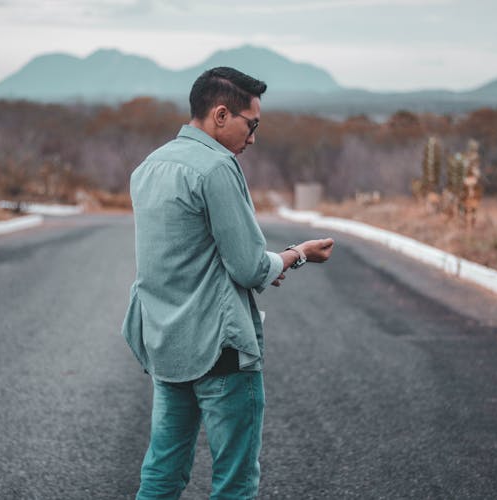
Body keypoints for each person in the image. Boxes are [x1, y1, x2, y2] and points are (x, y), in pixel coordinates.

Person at [121, 66, 334, 499]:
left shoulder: (149, 166)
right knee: (235, 482)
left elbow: (187, 252)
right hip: (219, 348)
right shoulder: (218, 168)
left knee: (161, 474)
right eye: (250, 124)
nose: (252, 138)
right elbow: (251, 268)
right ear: (221, 115)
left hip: (166, 343)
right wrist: (298, 254)